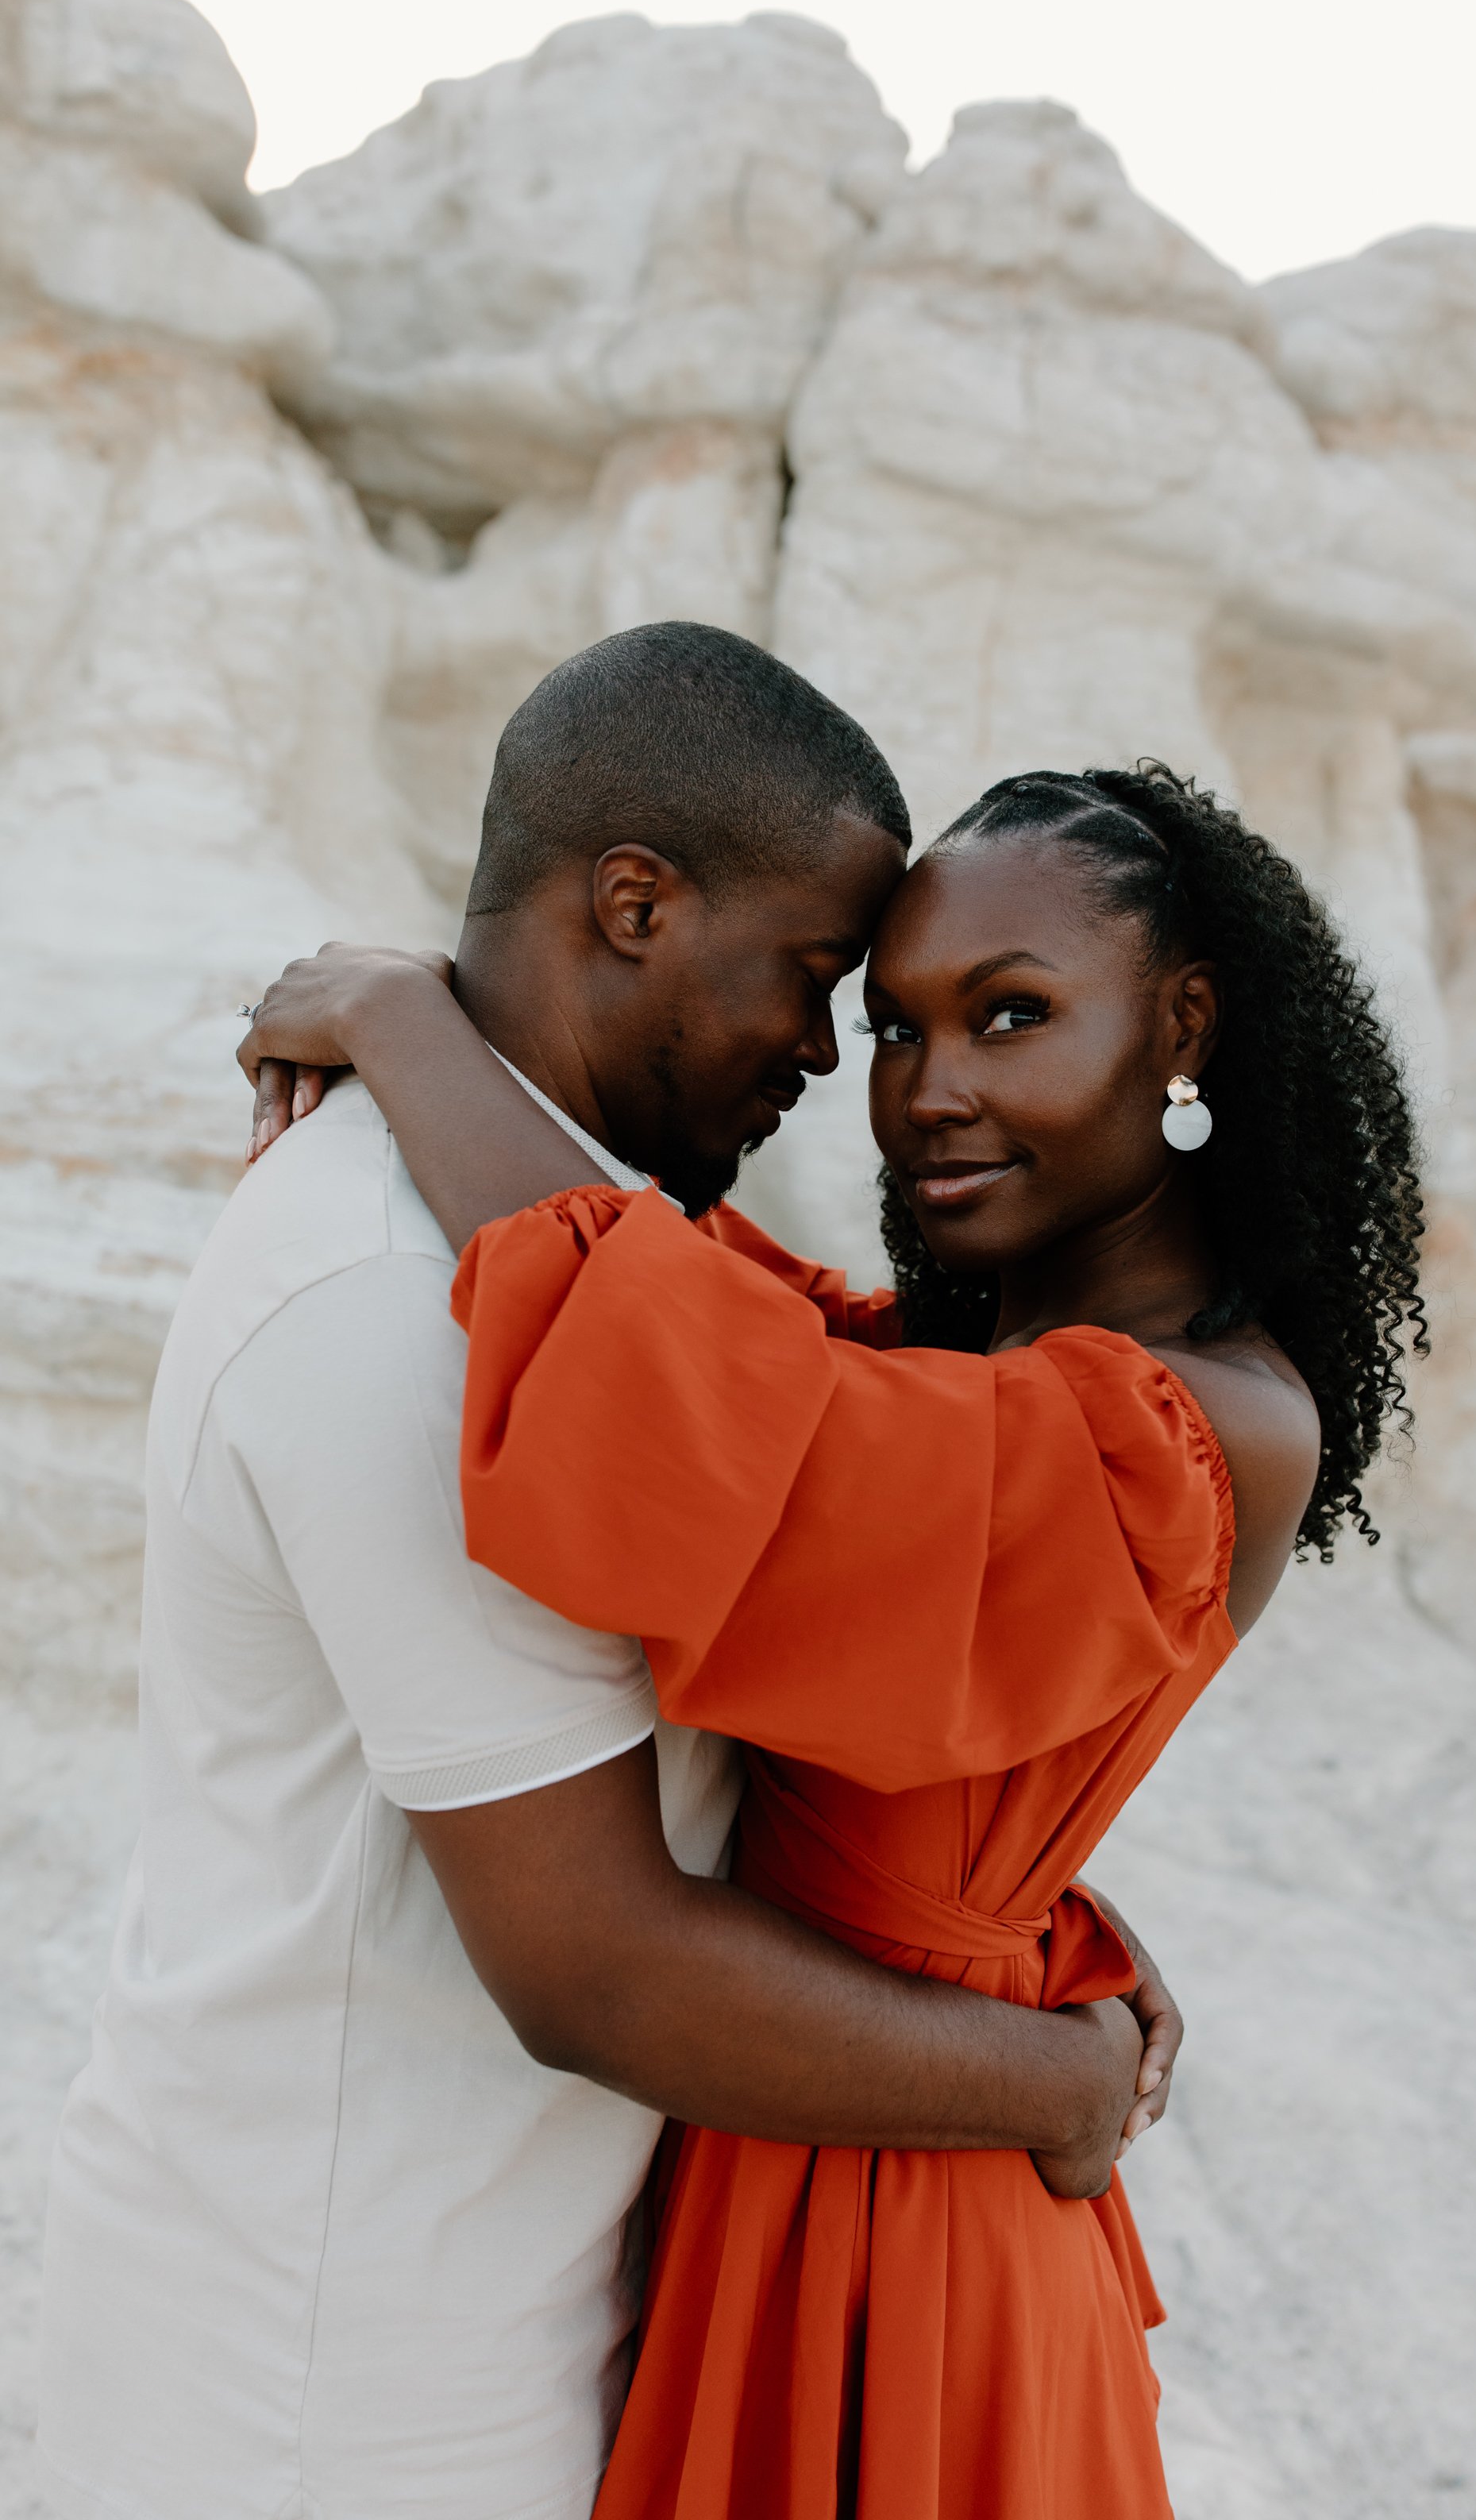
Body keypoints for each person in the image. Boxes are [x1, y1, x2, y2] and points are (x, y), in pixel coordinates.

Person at [34, 634, 1181, 2520]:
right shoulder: (406, 1311)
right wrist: (1047, 2080)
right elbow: (590, 1962)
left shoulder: (587, 1262)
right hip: (326, 2385)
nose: (826, 1061)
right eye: (813, 982)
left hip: (443, 2314)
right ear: (633, 904)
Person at [233, 758, 1425, 2517]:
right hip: (832, 2136)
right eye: (891, 1030)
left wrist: (414, 1033)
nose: (928, 1094)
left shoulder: (1196, 1420)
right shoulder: (964, 1383)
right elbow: (727, 1331)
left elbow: (700, 1402)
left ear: (1183, 1026)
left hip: (910, 2230)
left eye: (1007, 1017)